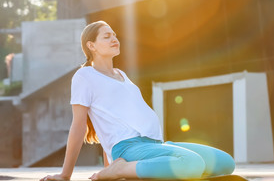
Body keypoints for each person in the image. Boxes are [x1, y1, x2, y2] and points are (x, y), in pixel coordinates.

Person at [40, 21, 235, 181]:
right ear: (91, 46)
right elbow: (79, 125)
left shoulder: (121, 74)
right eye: (106, 36)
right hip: (128, 147)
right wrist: (65, 175)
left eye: (114, 35)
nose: (114, 39)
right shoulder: (85, 76)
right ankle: (121, 170)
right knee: (192, 164)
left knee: (226, 163)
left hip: (154, 143)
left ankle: (142, 169)